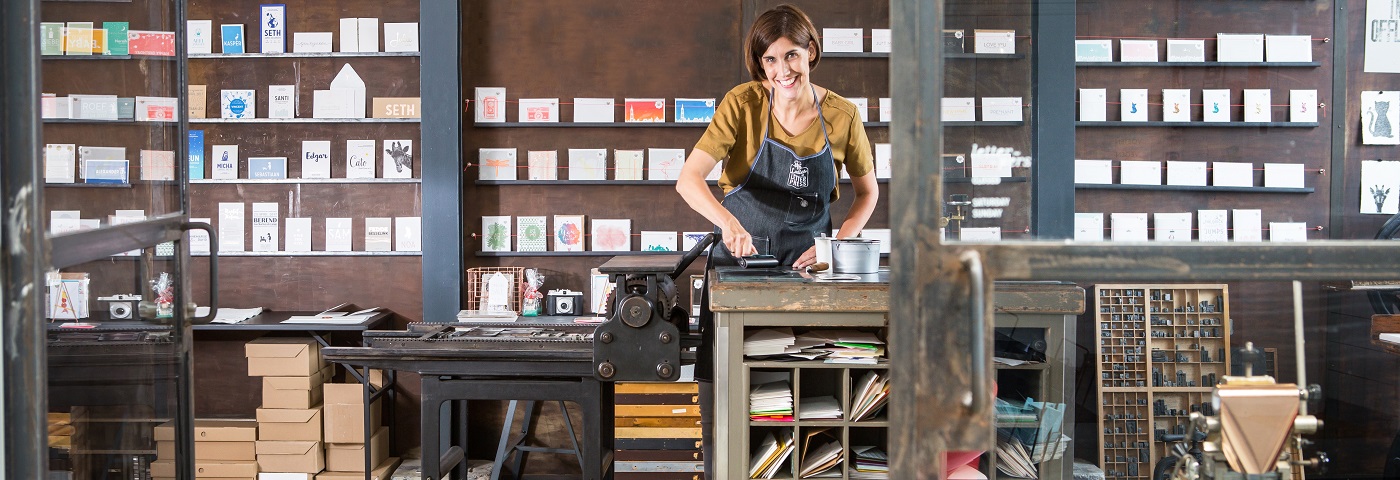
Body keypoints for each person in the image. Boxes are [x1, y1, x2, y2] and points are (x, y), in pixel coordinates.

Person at [674, 4, 879, 473]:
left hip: (809, 270)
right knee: (725, 379)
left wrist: (835, 247)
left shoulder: (842, 115)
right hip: (738, 264)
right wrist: (728, 224)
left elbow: (868, 194)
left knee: (804, 381)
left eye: (791, 56)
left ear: (811, 52)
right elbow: (689, 180)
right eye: (770, 59)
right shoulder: (742, 104)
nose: (782, 70)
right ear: (759, 63)